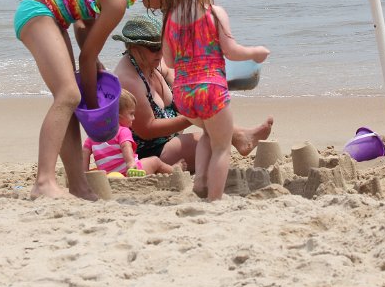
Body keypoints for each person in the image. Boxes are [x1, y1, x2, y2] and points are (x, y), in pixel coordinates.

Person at [14, 0, 175, 199]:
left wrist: (94, 58)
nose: (164, 6)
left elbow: (82, 23)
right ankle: (44, 182)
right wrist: (94, 109)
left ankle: (78, 186)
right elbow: (85, 59)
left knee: (68, 102)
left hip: (52, 17)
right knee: (69, 96)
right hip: (38, 12)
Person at [160, 0, 270, 201]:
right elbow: (231, 51)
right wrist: (256, 53)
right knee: (222, 147)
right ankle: (215, 199)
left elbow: (169, 62)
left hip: (184, 94)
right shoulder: (214, 13)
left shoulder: (169, 21)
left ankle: (200, 179)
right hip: (211, 90)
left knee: (209, 135)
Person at [112, 15, 274, 172]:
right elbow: (147, 130)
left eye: (163, 46)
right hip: (148, 153)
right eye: (154, 48)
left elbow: (182, 87)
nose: (160, 52)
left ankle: (238, 135)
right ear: (134, 47)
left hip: (169, 138)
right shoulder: (128, 80)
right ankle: (239, 137)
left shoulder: (154, 61)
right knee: (214, 145)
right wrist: (190, 117)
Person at [83, 89, 177, 176]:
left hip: (109, 176)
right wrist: (130, 163)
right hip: (130, 171)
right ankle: (174, 171)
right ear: (117, 116)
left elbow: (85, 152)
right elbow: (126, 146)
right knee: (155, 161)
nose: (133, 118)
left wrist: (84, 172)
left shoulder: (93, 136)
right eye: (131, 114)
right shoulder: (122, 131)